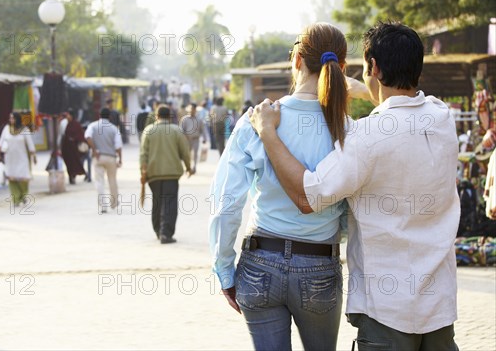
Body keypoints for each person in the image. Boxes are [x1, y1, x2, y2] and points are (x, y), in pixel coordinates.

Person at [250, 22, 459, 350]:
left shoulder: (367, 137)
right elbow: (395, 104)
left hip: (388, 313)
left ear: (373, 67)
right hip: (439, 307)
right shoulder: (442, 117)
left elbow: (308, 196)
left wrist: (267, 133)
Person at [209, 22, 362, 350]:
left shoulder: (256, 121)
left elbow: (227, 204)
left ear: (296, 62)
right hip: (319, 266)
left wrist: (224, 269)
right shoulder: (348, 131)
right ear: (342, 69)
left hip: (259, 264)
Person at [141, 104, 192, 244]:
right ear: (169, 117)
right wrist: (188, 167)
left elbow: (143, 155)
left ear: (156, 116)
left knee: (157, 202)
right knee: (169, 203)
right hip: (171, 174)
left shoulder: (148, 131)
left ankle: (158, 231)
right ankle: (166, 233)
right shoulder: (176, 130)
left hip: (153, 175)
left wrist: (143, 173)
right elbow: (185, 152)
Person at [84, 108, 122, 214]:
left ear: (99, 115)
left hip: (98, 157)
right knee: (112, 180)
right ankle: (114, 203)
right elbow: (118, 145)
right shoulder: (114, 128)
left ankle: (103, 206)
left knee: (99, 181)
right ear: (109, 117)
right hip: (111, 157)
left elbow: (87, 137)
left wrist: (94, 149)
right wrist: (120, 158)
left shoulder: (93, 126)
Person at [0, 112, 37, 206]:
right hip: (10, 158)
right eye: (10, 118)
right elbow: (1, 142)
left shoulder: (24, 129)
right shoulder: (6, 129)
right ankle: (16, 199)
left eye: (13, 118)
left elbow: (30, 143)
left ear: (17, 119)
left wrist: (33, 155)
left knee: (23, 178)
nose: (11, 120)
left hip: (22, 157)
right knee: (12, 178)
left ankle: (23, 196)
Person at [180, 103, 208, 174]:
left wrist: (205, 138)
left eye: (193, 109)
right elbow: (181, 130)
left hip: (196, 139)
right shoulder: (184, 119)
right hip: (186, 139)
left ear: (195, 110)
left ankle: (194, 166)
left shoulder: (199, 120)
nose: (191, 110)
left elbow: (203, 130)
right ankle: (187, 167)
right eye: (190, 108)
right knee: (187, 154)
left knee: (195, 154)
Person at [61, 109, 87, 185]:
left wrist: (74, 139)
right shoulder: (67, 124)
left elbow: (80, 135)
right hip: (67, 148)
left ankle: (74, 176)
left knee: (75, 163)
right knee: (69, 164)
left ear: (71, 116)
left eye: (68, 115)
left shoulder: (76, 124)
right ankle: (71, 176)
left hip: (74, 148)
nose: (67, 117)